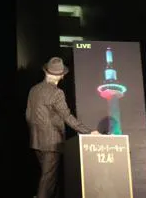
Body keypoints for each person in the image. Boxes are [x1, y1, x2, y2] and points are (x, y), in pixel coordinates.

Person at [26, 57, 99, 198]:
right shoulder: (57, 93)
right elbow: (67, 116)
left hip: (36, 141)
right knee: (48, 180)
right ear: (61, 76)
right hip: (52, 142)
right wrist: (88, 132)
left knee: (49, 178)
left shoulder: (33, 90)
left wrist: (36, 132)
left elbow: (28, 115)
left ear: (46, 71)